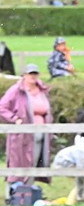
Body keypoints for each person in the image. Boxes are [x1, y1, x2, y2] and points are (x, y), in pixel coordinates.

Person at [1, 64, 53, 196]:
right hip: (21, 136)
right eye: (30, 74)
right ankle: (11, 196)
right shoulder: (16, 90)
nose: (33, 76)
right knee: (17, 164)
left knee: (34, 162)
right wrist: (14, 119)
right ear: (24, 75)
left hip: (41, 134)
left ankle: (27, 194)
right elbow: (2, 108)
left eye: (35, 73)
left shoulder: (42, 90)